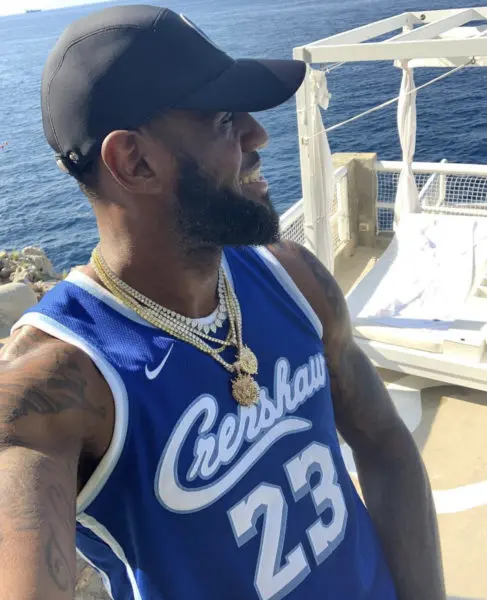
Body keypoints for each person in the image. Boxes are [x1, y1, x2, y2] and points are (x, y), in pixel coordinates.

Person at [0, 5, 445, 600]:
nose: (258, 136)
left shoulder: (293, 277)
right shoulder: (57, 383)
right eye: (224, 120)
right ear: (135, 161)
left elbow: (384, 443)